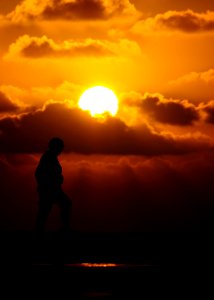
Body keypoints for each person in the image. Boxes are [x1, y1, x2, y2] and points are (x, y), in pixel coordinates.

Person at [35, 137, 71, 233]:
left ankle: (64, 228)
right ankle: (64, 229)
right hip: (50, 190)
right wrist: (49, 183)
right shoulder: (48, 157)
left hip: (53, 189)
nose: (61, 150)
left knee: (45, 210)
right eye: (60, 147)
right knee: (45, 210)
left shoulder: (50, 157)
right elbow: (39, 173)